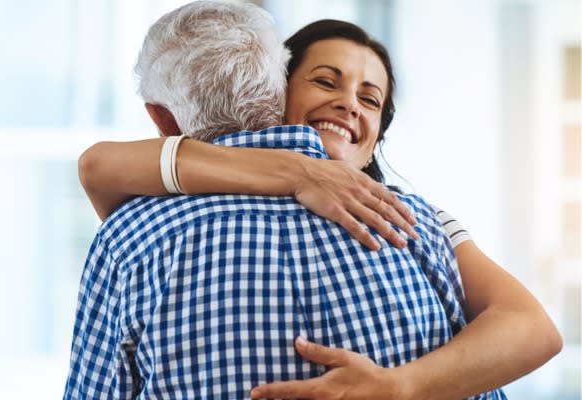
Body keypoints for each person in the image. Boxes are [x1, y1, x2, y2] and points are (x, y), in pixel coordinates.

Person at [66, 2, 561, 399]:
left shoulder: (416, 220)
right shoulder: (416, 233)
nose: (349, 102)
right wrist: (298, 171)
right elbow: (97, 165)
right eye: (326, 81)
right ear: (274, 90)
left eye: (370, 100)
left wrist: (397, 387)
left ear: (376, 139)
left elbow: (531, 328)